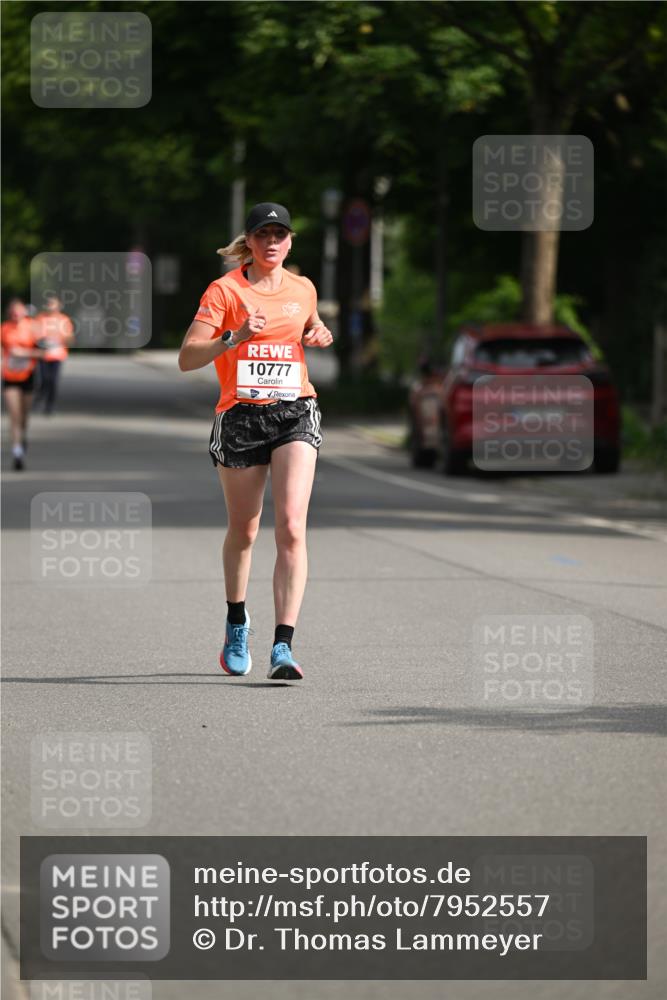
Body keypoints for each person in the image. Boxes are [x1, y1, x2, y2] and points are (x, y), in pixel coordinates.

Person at [179, 202, 333, 680]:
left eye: (280, 234)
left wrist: (317, 331)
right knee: (245, 531)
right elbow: (187, 357)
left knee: (290, 526)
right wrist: (233, 337)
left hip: (294, 410)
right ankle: (236, 622)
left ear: (289, 242)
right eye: (263, 234)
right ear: (249, 241)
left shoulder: (303, 289)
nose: (272, 242)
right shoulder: (224, 291)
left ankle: (283, 646)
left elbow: (306, 328)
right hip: (241, 415)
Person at [1, 298, 43, 470]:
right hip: (10, 377)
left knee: (24, 417)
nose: (15, 314)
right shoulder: (4, 329)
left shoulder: (33, 328)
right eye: (13, 311)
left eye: (18, 311)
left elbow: (44, 352)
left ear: (24, 312)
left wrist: (24, 353)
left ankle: (22, 437)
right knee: (14, 416)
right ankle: (17, 452)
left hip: (28, 376)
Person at [34, 294, 74, 414]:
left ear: (59, 306)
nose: (50, 306)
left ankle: (49, 405)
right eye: (49, 303)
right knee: (44, 379)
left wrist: (68, 339)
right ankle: (41, 394)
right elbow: (35, 335)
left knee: (53, 380)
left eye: (53, 303)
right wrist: (41, 341)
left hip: (57, 354)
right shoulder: (40, 318)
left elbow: (69, 338)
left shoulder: (64, 320)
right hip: (43, 354)